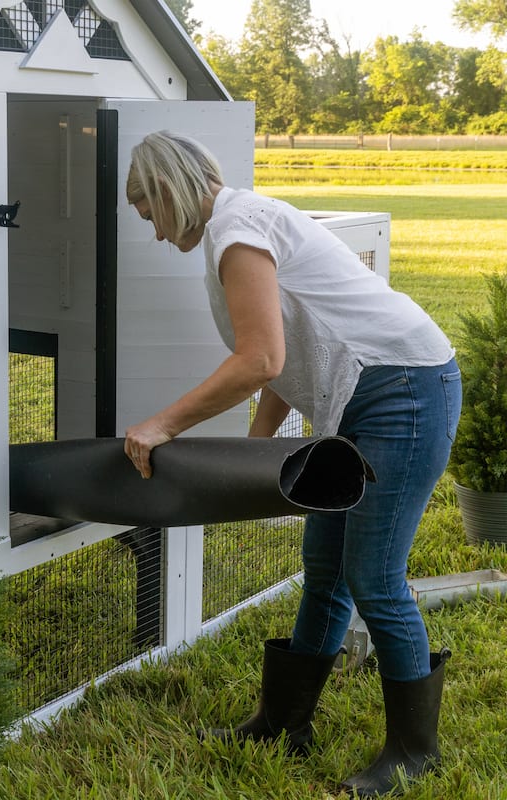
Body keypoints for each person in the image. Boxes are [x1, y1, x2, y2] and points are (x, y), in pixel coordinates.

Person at [123, 131, 461, 797]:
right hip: (363, 396)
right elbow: (292, 348)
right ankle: (283, 724)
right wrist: (261, 445)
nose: (156, 233)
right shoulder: (240, 224)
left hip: (406, 393)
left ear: (165, 191)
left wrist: (163, 424)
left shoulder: (236, 231)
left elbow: (260, 360)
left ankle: (415, 753)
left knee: (373, 575)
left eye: (147, 213)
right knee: (326, 567)